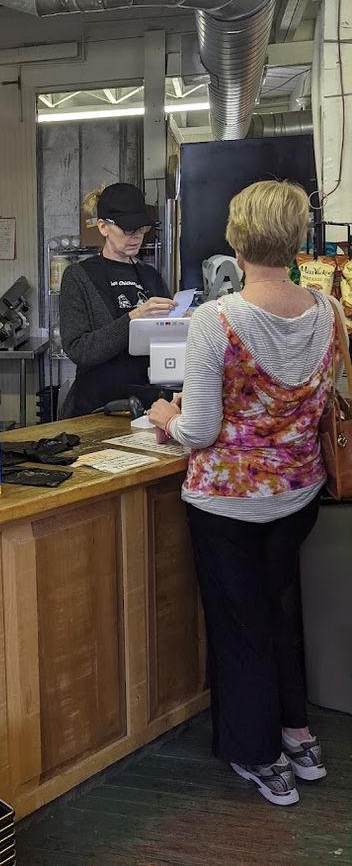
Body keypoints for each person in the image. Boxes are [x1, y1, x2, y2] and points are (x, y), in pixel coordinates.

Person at [148, 179, 342, 807]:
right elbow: (309, 402)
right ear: (296, 239)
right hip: (299, 493)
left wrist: (165, 415)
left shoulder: (218, 318)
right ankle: (298, 738)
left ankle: (261, 758)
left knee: (240, 627)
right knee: (278, 614)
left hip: (228, 504)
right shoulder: (329, 311)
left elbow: (200, 430)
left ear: (237, 240)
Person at [59, 182, 174, 417]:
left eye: (141, 229)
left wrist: (184, 321)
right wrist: (133, 319)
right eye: (128, 230)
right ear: (103, 227)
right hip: (97, 407)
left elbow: (168, 339)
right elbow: (79, 349)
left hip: (149, 406)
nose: (137, 237)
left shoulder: (150, 276)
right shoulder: (79, 276)